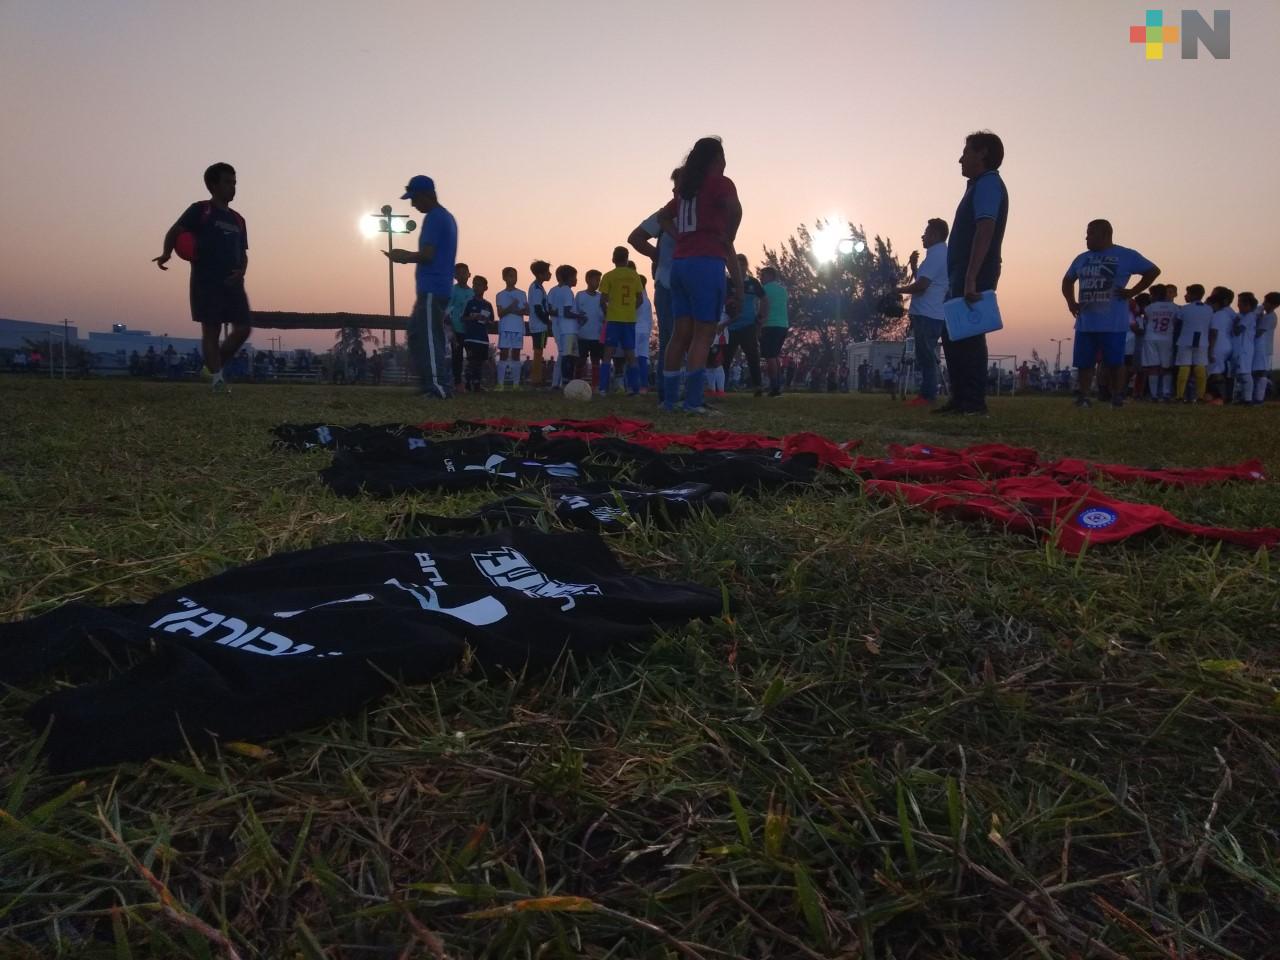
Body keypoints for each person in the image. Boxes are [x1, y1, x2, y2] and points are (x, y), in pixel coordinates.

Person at [659, 138, 744, 415]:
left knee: (679, 334)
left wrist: (680, 236)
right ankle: (693, 402)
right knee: (703, 334)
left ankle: (669, 401)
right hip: (706, 262)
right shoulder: (720, 183)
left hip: (680, 264)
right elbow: (735, 209)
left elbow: (663, 216)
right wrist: (727, 237)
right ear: (717, 157)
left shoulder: (686, 188)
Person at [153, 162, 252, 393]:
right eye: (228, 182)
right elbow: (174, 231)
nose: (233, 187)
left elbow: (244, 253)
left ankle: (211, 366)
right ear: (212, 185)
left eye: (235, 183)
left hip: (234, 283)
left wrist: (242, 272)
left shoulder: (239, 220)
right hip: (206, 281)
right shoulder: (200, 210)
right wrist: (167, 253)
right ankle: (217, 380)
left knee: (243, 328)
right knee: (211, 330)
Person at [937, 131, 1009, 417]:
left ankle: (974, 402)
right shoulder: (977, 186)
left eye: (966, 152)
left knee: (969, 333)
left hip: (973, 271)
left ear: (982, 153)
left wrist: (970, 277)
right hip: (962, 272)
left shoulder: (989, 184)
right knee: (953, 332)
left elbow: (986, 228)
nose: (960, 159)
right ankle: (960, 398)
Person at [1060, 219, 1159, 409]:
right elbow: (1067, 281)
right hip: (1086, 322)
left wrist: (1131, 292)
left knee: (1114, 362)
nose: (1086, 238)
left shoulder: (1126, 255)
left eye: (1091, 234)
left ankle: (1117, 396)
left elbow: (1152, 271)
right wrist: (1071, 302)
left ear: (1105, 234)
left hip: (1113, 322)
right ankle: (1084, 396)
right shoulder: (1081, 258)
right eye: (1086, 234)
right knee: (1084, 362)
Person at [384, 174, 456, 398]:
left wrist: (403, 256)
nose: (413, 204)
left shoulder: (435, 218)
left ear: (427, 195)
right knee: (416, 334)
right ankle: (430, 383)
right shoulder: (444, 217)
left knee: (429, 336)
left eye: (414, 199)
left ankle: (438, 387)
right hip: (433, 288)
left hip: (434, 288)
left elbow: (427, 255)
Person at [629, 168, 680, 404]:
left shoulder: (703, 212)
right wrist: (657, 256)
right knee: (670, 337)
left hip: (693, 282)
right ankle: (666, 393)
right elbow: (636, 237)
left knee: (693, 337)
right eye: (674, 185)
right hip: (668, 283)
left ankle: (689, 392)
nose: (674, 189)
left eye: (678, 184)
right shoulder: (665, 214)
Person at [896, 218, 950, 407]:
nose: (923, 236)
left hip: (928, 314)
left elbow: (922, 286)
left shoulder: (936, 255)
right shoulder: (940, 254)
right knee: (925, 355)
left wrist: (897, 290)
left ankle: (927, 395)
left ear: (935, 235)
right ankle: (927, 394)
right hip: (930, 313)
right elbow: (927, 281)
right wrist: (914, 268)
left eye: (926, 233)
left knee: (926, 356)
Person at [597, 246, 644, 395]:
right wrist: (630, 309)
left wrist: (608, 312)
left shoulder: (609, 276)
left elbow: (602, 300)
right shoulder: (634, 276)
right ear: (627, 259)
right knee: (630, 354)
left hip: (614, 319)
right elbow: (640, 299)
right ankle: (634, 388)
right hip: (629, 320)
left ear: (613, 259)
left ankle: (603, 388)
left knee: (608, 354)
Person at [721, 253, 766, 396]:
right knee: (725, 359)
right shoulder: (727, 282)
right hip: (730, 326)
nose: (740, 267)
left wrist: (760, 318)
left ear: (747, 266)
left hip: (748, 326)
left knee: (753, 356)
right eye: (737, 264)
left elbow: (764, 300)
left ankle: (758, 386)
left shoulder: (753, 283)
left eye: (743, 264)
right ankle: (721, 387)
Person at [1174, 284, 1213, 402]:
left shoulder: (1184, 309)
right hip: (1202, 340)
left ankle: (1180, 395)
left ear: (1193, 295)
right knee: (1200, 367)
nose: (1185, 296)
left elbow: (1177, 323)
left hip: (1185, 339)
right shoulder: (1209, 309)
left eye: (1187, 293)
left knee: (1184, 366)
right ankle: (1200, 395)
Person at [1140, 284, 1178, 401]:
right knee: (1166, 367)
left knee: (1153, 367)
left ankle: (1154, 394)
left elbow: (1145, 320)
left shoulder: (1149, 308)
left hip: (1151, 337)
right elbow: (1176, 322)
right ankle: (1166, 393)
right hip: (1167, 338)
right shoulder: (1174, 308)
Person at [548, 265, 584, 385]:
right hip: (568, 329)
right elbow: (567, 312)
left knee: (564, 356)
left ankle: (557, 383)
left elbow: (551, 309)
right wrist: (580, 316)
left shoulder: (555, 291)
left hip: (561, 328)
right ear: (568, 277)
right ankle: (566, 382)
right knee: (568, 357)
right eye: (574, 277)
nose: (576, 279)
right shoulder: (568, 291)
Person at [495, 267, 528, 390]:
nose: (512, 278)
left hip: (518, 328)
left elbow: (526, 311)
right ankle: (500, 384)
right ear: (504, 278)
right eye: (510, 276)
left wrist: (523, 309)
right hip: (505, 328)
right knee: (503, 354)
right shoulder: (500, 295)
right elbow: (500, 313)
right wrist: (512, 307)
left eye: (514, 276)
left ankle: (515, 384)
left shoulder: (522, 294)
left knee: (516, 354)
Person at [461, 275, 494, 393]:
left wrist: (486, 320)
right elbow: (463, 318)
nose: (476, 287)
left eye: (479, 285)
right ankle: (468, 384)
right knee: (471, 361)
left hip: (482, 339)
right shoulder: (469, 303)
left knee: (480, 362)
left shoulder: (488, 305)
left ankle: (477, 385)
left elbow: (491, 322)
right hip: (471, 338)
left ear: (485, 288)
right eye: (474, 284)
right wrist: (472, 317)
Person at [759, 266, 789, 396]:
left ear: (770, 276)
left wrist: (758, 322)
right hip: (783, 325)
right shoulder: (783, 291)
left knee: (770, 356)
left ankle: (774, 386)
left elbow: (761, 307)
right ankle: (778, 384)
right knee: (775, 355)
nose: (761, 278)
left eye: (763, 275)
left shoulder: (763, 290)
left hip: (769, 325)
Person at [1205, 287, 1238, 404]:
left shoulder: (1217, 315)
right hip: (1227, 344)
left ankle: (1218, 398)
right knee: (1221, 371)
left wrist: (1210, 350)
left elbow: (1214, 333)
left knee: (1215, 372)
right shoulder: (1229, 314)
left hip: (1218, 346)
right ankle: (1220, 397)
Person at [575, 270, 605, 390]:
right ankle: (577, 384)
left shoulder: (601, 297)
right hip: (582, 335)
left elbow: (604, 313)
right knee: (581, 360)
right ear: (587, 279)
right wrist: (579, 318)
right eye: (595, 279)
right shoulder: (580, 295)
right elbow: (575, 312)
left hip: (597, 335)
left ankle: (595, 386)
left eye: (599, 280)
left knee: (596, 361)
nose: (597, 282)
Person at [447, 263, 472, 391]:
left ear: (469, 274)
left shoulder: (473, 292)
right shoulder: (452, 290)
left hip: (470, 330)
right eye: (459, 272)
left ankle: (471, 383)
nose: (462, 275)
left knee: (472, 357)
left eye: (464, 272)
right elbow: (447, 310)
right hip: (456, 329)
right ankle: (458, 383)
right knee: (457, 357)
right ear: (455, 275)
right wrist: (450, 328)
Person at [1231, 292, 1258, 403]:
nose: (1238, 305)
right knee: (1239, 375)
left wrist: (1234, 323)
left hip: (1245, 350)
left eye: (1240, 303)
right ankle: (1241, 398)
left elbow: (1238, 331)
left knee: (1245, 374)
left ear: (1247, 304)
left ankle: (1248, 399)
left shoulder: (1250, 316)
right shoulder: (1242, 316)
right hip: (1239, 349)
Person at [1253, 293, 1280, 404]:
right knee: (1258, 372)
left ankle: (1259, 398)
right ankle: (1258, 397)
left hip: (1263, 349)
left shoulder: (1270, 317)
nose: (1263, 304)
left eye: (1266, 302)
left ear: (1274, 305)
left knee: (1260, 373)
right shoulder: (1267, 316)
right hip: (1262, 348)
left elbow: (1258, 332)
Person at [635, 276, 653, 393]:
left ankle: (634, 384)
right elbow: (651, 319)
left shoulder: (636, 299)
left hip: (635, 329)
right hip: (645, 331)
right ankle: (644, 386)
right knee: (643, 358)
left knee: (633, 358)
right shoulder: (647, 300)